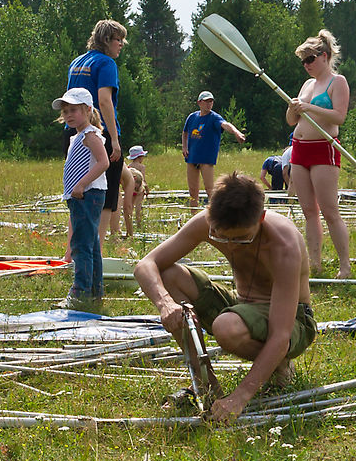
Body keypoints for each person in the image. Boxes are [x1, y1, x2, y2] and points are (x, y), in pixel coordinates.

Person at [134, 172, 316, 424]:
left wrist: (240, 397)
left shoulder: (283, 245)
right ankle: (206, 384)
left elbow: (280, 335)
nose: (231, 245)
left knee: (226, 327)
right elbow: (146, 265)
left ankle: (280, 367)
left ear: (261, 218)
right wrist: (165, 302)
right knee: (168, 275)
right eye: (222, 236)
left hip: (292, 320)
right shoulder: (207, 222)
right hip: (242, 306)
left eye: (241, 238)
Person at [286, 30, 352, 278]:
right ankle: (315, 263)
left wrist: (309, 107)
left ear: (324, 56)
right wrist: (293, 109)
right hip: (299, 149)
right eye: (303, 61)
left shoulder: (338, 82)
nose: (306, 65)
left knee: (329, 210)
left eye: (310, 60)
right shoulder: (307, 84)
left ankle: (344, 265)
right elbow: (292, 121)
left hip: (324, 148)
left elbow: (339, 117)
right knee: (309, 211)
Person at [66, 19, 127, 235]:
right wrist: (114, 138)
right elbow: (103, 101)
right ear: (106, 39)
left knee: (78, 188)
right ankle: (97, 248)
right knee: (106, 192)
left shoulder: (76, 62)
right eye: (118, 39)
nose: (122, 44)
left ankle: (73, 248)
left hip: (74, 133)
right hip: (99, 133)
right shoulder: (106, 63)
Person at [53, 88, 109, 310]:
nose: (68, 115)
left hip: (87, 195)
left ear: (87, 110)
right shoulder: (78, 136)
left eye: (73, 110)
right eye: (65, 111)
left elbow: (103, 162)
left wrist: (82, 184)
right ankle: (95, 293)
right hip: (81, 196)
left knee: (80, 245)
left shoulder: (90, 135)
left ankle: (79, 292)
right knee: (90, 244)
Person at [183, 91, 246, 208]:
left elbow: (226, 125)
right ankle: (193, 214)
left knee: (210, 189)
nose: (209, 104)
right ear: (199, 103)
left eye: (211, 101)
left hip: (206, 158)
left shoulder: (214, 118)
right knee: (192, 190)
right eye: (206, 101)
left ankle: (214, 216)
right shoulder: (192, 117)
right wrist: (184, 147)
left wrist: (237, 132)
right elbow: (185, 132)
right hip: (192, 156)